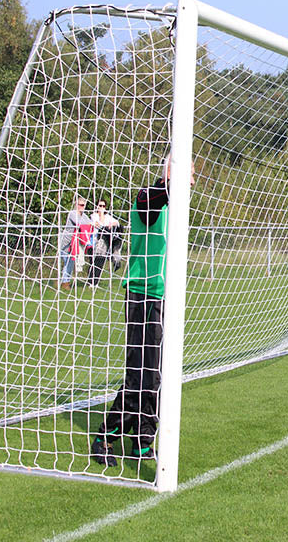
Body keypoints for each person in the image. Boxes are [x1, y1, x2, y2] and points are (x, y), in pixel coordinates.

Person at [91, 158, 195, 466]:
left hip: (165, 297)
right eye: (187, 174)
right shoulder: (148, 198)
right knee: (139, 372)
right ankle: (105, 437)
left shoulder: (176, 208)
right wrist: (171, 181)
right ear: (170, 173)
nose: (192, 181)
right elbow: (148, 200)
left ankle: (143, 440)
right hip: (141, 294)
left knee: (156, 374)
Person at [59, 196, 93, 290]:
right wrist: (91, 224)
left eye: (84, 205)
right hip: (66, 243)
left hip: (75, 244)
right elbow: (80, 223)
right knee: (68, 262)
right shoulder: (72, 214)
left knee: (71, 262)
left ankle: (65, 281)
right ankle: (65, 283)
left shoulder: (84, 215)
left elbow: (90, 223)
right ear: (76, 205)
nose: (82, 207)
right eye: (81, 205)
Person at [87, 199, 122, 287]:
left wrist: (112, 224)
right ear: (97, 206)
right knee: (93, 262)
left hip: (103, 242)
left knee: (100, 261)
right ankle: (91, 281)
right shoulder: (93, 216)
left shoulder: (108, 217)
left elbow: (117, 223)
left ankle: (95, 282)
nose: (102, 208)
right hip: (93, 241)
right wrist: (101, 214)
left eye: (103, 206)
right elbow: (100, 223)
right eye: (100, 206)